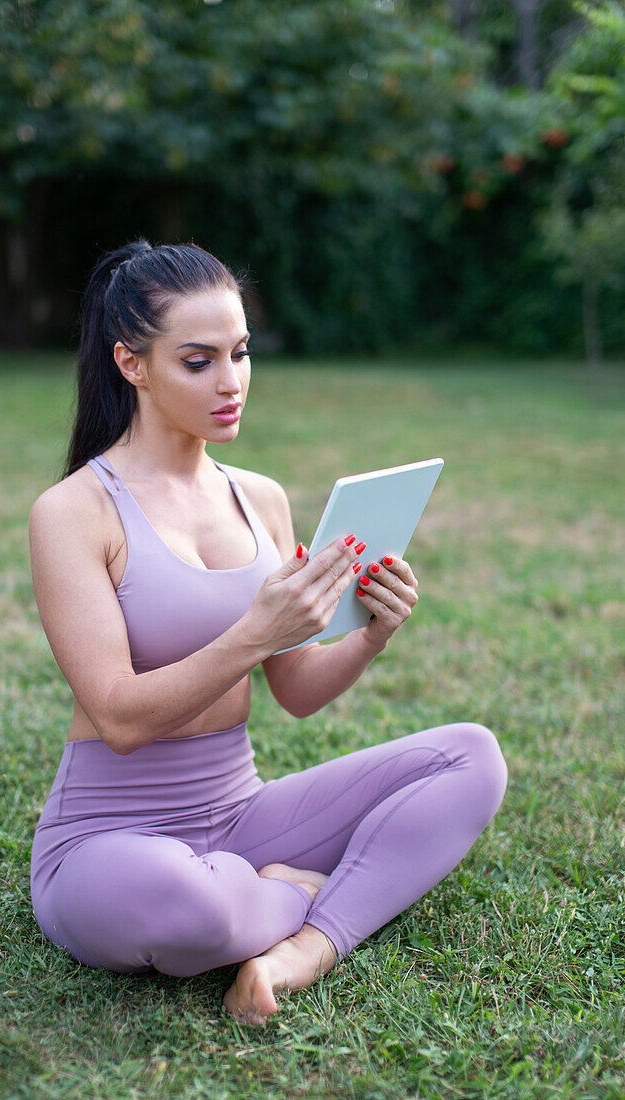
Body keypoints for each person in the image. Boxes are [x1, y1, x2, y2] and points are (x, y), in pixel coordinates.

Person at [28, 237, 508, 1027]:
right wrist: (254, 633)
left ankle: (305, 945)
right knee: (189, 910)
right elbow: (116, 718)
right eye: (198, 361)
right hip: (109, 837)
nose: (231, 382)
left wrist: (366, 636)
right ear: (131, 363)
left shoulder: (260, 497)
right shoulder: (76, 511)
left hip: (239, 815)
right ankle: (296, 890)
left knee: (470, 757)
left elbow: (295, 691)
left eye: (241, 354)